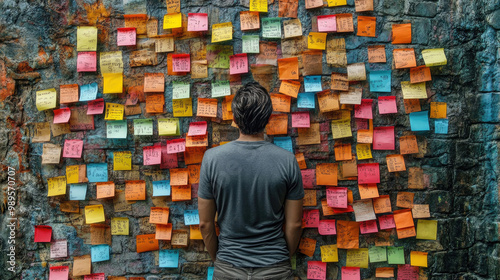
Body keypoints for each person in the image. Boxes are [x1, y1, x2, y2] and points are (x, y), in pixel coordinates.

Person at [198, 82, 304, 280]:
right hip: (275, 267)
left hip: (228, 265)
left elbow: (205, 224)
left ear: (235, 118)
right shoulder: (288, 161)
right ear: (268, 118)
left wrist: (220, 260)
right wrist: (280, 258)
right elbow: (295, 224)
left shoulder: (211, 159)